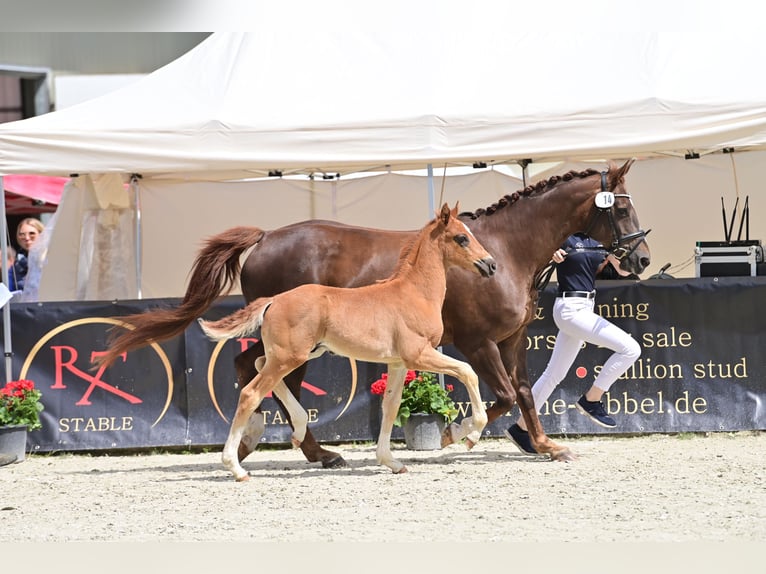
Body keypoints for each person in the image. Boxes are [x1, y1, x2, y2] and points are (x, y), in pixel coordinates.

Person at [505, 232, 642, 454]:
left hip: (585, 308)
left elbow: (624, 271)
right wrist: (552, 256)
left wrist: (624, 255)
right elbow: (537, 259)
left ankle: (521, 429)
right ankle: (592, 399)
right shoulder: (565, 238)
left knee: (554, 374)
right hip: (569, 307)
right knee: (630, 349)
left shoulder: (598, 242)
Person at [13, 217, 45, 292]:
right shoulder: (18, 262)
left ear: (42, 234)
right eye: (22, 234)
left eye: (32, 233)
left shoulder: (49, 258)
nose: (27, 238)